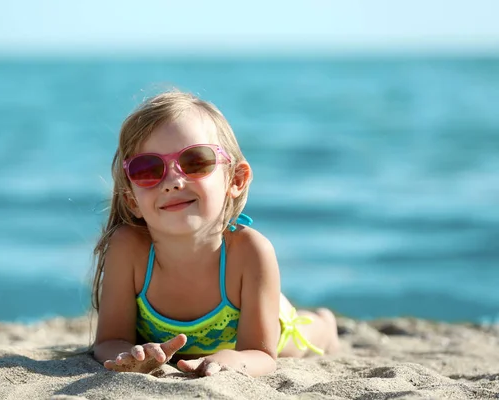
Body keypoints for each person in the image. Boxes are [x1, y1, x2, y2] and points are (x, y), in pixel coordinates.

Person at [91, 90, 339, 377]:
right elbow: (109, 341)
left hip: (279, 330)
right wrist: (130, 355)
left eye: (195, 162)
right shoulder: (128, 249)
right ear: (132, 200)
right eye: (148, 169)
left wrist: (230, 359)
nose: (172, 181)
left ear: (235, 179)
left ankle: (325, 325)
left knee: (308, 337)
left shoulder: (250, 252)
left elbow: (262, 354)